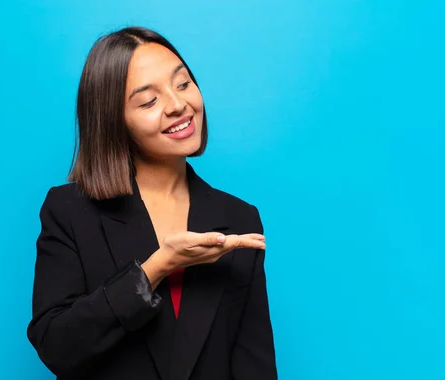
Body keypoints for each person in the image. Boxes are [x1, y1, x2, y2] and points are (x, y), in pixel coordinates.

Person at [27, 26, 277, 380]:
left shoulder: (239, 217)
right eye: (149, 101)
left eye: (183, 83)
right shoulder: (69, 210)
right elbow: (56, 345)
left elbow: (255, 364)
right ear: (115, 121)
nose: (178, 105)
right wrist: (155, 269)